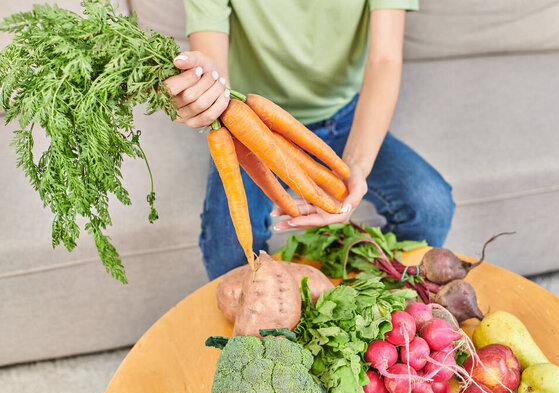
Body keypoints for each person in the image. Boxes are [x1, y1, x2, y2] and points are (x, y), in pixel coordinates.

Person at [164, 0, 455, 280]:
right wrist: (206, 88)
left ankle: (393, 299)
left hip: (343, 118)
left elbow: (385, 59)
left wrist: (355, 164)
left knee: (431, 206)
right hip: (251, 125)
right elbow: (214, 66)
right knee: (227, 245)